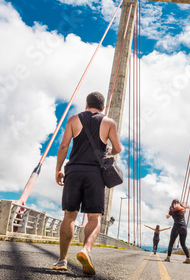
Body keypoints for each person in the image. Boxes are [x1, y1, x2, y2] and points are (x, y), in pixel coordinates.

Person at [53, 92, 122, 275]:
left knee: (69, 216)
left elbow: (63, 146)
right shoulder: (108, 122)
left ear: (86, 104)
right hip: (95, 174)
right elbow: (118, 148)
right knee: (94, 217)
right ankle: (86, 250)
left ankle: (62, 260)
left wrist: (59, 168)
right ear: (103, 107)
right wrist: (108, 150)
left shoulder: (74, 119)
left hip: (74, 171)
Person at [164, 199, 190, 264]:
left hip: (176, 227)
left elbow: (167, 216)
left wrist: (168, 211)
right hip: (184, 227)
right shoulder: (182, 209)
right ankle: (188, 258)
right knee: (183, 244)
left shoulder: (172, 209)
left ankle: (168, 257)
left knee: (171, 242)